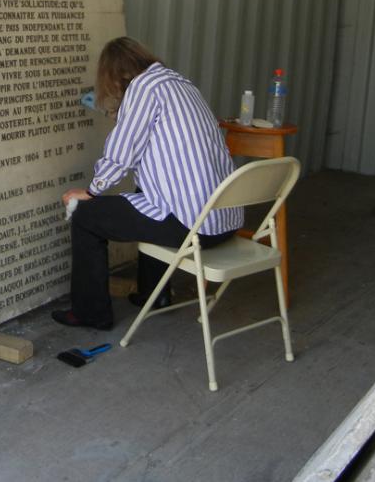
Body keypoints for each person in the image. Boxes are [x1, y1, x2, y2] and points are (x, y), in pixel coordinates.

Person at [54, 37, 242, 330]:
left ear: (115, 76)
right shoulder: (181, 84)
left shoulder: (143, 88)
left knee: (84, 215)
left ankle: (90, 313)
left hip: (193, 227)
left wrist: (91, 192)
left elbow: (122, 152)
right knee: (147, 197)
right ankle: (155, 295)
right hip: (224, 221)